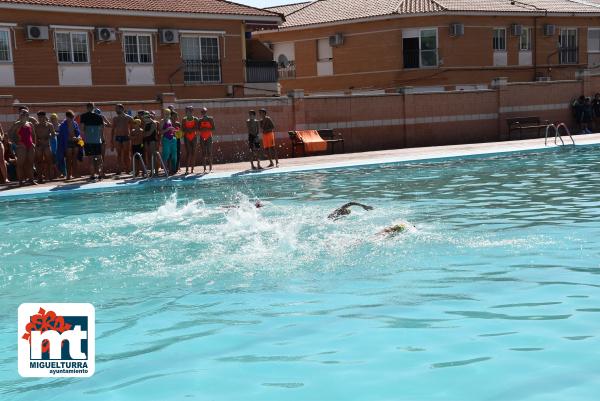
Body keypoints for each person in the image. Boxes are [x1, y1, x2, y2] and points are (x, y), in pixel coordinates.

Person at [8, 108, 36, 185]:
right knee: (20, 164)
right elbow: (9, 134)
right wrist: (16, 143)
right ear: (20, 115)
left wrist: (34, 144)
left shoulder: (30, 124)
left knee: (30, 163)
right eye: (24, 114)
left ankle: (31, 179)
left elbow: (33, 135)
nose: (26, 115)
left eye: (27, 114)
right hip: (21, 146)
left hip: (30, 146)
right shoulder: (17, 124)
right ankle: (20, 181)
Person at [80, 103, 105, 180]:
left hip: (88, 141)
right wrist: (102, 139)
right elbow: (101, 129)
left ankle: (92, 175)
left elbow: (82, 128)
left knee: (91, 159)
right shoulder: (99, 117)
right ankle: (100, 174)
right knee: (99, 158)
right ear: (93, 107)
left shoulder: (83, 116)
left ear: (87, 107)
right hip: (97, 141)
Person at [57, 110, 82, 181]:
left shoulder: (74, 123)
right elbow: (63, 136)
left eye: (72, 118)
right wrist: (73, 138)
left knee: (75, 159)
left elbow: (78, 132)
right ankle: (68, 175)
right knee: (68, 159)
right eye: (70, 118)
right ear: (67, 117)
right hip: (67, 143)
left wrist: (79, 138)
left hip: (75, 142)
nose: (72, 119)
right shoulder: (63, 125)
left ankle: (75, 174)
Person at [111, 103, 133, 175]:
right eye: (116, 109)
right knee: (119, 155)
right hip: (118, 138)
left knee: (127, 154)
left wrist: (131, 135)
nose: (116, 110)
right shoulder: (115, 118)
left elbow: (133, 127)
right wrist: (111, 140)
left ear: (122, 109)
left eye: (117, 108)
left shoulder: (128, 118)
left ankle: (128, 170)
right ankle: (119, 170)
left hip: (126, 137)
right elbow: (113, 130)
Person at [34, 111, 55, 183]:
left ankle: (50, 177)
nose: (39, 118)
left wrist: (48, 136)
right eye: (39, 117)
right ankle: (40, 178)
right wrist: (37, 142)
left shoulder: (49, 125)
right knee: (39, 162)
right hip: (39, 146)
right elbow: (34, 135)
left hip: (47, 145)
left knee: (49, 161)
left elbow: (53, 134)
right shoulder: (36, 125)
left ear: (44, 117)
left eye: (41, 117)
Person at [160, 109, 177, 174]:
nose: (167, 115)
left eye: (168, 113)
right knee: (166, 155)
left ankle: (173, 170)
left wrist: (174, 130)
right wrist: (167, 129)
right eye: (166, 113)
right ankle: (165, 170)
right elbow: (161, 132)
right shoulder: (162, 121)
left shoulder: (170, 120)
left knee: (174, 156)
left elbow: (171, 130)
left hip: (173, 139)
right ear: (164, 114)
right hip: (166, 139)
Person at [182, 106, 198, 174]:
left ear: (192, 112)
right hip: (187, 137)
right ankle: (187, 169)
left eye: (190, 111)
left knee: (193, 153)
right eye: (187, 111)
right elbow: (183, 128)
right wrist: (188, 130)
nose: (189, 113)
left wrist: (189, 130)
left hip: (193, 137)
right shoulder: (184, 119)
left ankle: (192, 169)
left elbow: (197, 128)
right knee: (188, 153)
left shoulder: (196, 119)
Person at [198, 107, 215, 173]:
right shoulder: (200, 120)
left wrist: (206, 129)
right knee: (203, 152)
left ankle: (210, 169)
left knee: (209, 152)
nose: (203, 113)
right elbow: (198, 129)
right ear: (201, 113)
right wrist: (202, 129)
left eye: (204, 112)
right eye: (202, 112)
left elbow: (214, 128)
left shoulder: (210, 119)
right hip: (202, 137)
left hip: (209, 136)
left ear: (206, 112)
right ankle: (204, 169)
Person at [142, 112, 159, 176]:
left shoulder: (153, 123)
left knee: (154, 156)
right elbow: (144, 133)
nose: (143, 120)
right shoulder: (146, 124)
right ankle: (152, 171)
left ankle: (156, 171)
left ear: (147, 117)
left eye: (144, 118)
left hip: (152, 141)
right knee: (149, 157)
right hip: (147, 141)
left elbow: (149, 133)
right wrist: (144, 134)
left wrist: (144, 134)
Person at [49, 113, 64, 178]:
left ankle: (61, 173)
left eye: (54, 119)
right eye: (52, 119)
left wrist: (56, 134)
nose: (53, 120)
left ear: (57, 119)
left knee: (60, 159)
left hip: (59, 144)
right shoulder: (49, 126)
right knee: (53, 159)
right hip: (52, 144)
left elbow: (62, 135)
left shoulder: (59, 126)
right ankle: (55, 174)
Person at [167, 104, 181, 172]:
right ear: (171, 116)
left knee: (177, 153)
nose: (176, 117)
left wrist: (178, 133)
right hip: (170, 140)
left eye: (176, 116)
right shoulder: (168, 123)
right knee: (170, 154)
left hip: (177, 140)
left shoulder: (178, 124)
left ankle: (175, 168)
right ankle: (170, 168)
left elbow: (180, 133)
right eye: (175, 116)